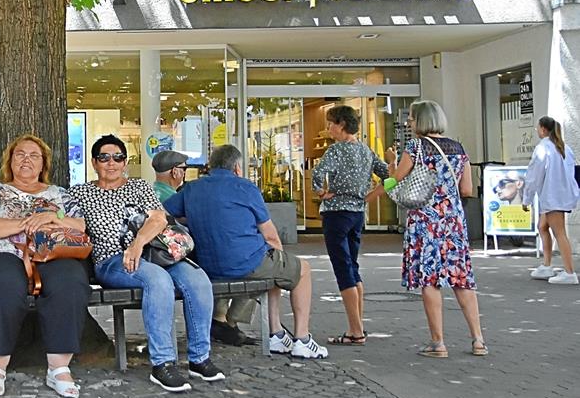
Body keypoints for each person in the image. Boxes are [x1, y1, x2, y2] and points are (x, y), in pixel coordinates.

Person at [71, 135, 224, 393]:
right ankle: (163, 363)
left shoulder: (139, 187)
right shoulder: (80, 193)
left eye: (118, 157)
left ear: (125, 162)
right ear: (94, 163)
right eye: (104, 158)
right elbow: (68, 222)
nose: (111, 163)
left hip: (154, 252)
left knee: (198, 280)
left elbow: (159, 219)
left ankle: (200, 358)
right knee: (158, 280)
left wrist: (138, 243)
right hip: (113, 261)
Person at [165, 143, 329, 362]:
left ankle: (278, 332)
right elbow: (270, 235)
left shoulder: (191, 189)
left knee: (275, 265)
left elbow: (161, 212)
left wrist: (189, 218)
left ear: (211, 167)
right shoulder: (245, 188)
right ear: (237, 167)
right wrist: (279, 255)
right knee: (299, 269)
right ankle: (302, 338)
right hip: (245, 263)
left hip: (206, 267)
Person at [0, 134, 91, 398]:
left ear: (43, 164)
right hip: (1, 252)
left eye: (34, 155)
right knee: (2, 283)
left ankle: (59, 368)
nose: (26, 159)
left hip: (51, 255)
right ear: (10, 161)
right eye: (20, 154)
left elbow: (79, 226)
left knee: (71, 281)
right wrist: (28, 223)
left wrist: (51, 217)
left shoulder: (59, 194)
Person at [369, 99, 487, 357]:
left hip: (425, 221)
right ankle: (478, 340)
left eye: (411, 118)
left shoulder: (416, 147)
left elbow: (395, 180)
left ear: (420, 120)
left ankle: (438, 343)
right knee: (461, 279)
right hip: (453, 222)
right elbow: (466, 189)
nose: (409, 122)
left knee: (430, 280)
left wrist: (383, 178)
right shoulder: (458, 148)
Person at [152, 151, 255, 346]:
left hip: (176, 258)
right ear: (175, 172)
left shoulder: (154, 192)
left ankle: (222, 321)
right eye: (184, 169)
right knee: (248, 265)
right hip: (189, 259)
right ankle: (227, 322)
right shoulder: (176, 196)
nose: (185, 173)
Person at [311, 104, 390, 345]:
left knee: (342, 269)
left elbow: (317, 174)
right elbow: (390, 177)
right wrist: (369, 197)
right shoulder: (366, 151)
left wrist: (321, 192)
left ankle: (356, 331)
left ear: (341, 125)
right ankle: (358, 324)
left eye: (331, 124)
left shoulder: (335, 151)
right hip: (357, 214)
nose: (329, 129)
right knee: (352, 267)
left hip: (336, 214)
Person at [523, 116, 580, 285]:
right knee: (543, 226)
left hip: (552, 196)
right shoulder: (564, 148)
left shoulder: (543, 148)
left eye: (537, 128)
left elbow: (534, 175)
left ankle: (570, 272)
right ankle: (547, 265)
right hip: (558, 195)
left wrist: (527, 197)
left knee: (559, 232)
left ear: (543, 129)